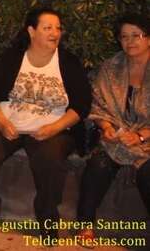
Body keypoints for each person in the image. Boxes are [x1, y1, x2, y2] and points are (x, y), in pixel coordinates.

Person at [0, 7, 91, 238]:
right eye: (47, 28)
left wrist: (54, 128)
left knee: (51, 158)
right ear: (32, 31)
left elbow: (82, 105)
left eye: (58, 28)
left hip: (52, 128)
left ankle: (47, 219)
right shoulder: (13, 57)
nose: (54, 33)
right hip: (9, 122)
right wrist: (1, 121)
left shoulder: (68, 62)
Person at [76, 13, 149, 243]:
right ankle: (85, 226)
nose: (130, 41)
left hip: (147, 142)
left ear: (148, 38)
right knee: (98, 164)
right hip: (117, 139)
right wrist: (106, 126)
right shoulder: (111, 67)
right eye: (124, 37)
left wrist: (141, 136)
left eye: (136, 35)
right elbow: (98, 105)